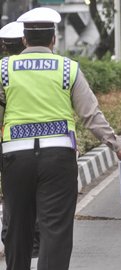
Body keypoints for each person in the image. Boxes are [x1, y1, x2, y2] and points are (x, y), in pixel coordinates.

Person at [0, 7, 121, 270]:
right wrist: (118, 147)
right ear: (54, 39)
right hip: (58, 159)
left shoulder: (4, 69)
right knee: (55, 231)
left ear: (25, 39)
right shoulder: (68, 69)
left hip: (16, 159)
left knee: (17, 227)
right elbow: (91, 116)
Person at [0, 20, 43, 259]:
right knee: (40, 195)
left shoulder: (5, 71)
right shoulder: (49, 67)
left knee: (13, 198)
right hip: (48, 145)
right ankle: (36, 242)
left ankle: (13, 240)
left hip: (11, 146)